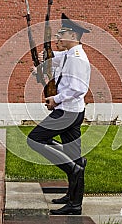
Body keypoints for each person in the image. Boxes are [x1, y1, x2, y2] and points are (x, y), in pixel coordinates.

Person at [27, 13, 91, 215]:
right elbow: (54, 58)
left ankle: (73, 168)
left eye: (61, 34)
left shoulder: (78, 59)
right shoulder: (70, 54)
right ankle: (74, 202)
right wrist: (39, 65)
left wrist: (56, 99)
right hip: (72, 111)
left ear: (73, 35)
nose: (58, 38)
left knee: (35, 139)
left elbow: (79, 88)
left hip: (67, 111)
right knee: (73, 154)